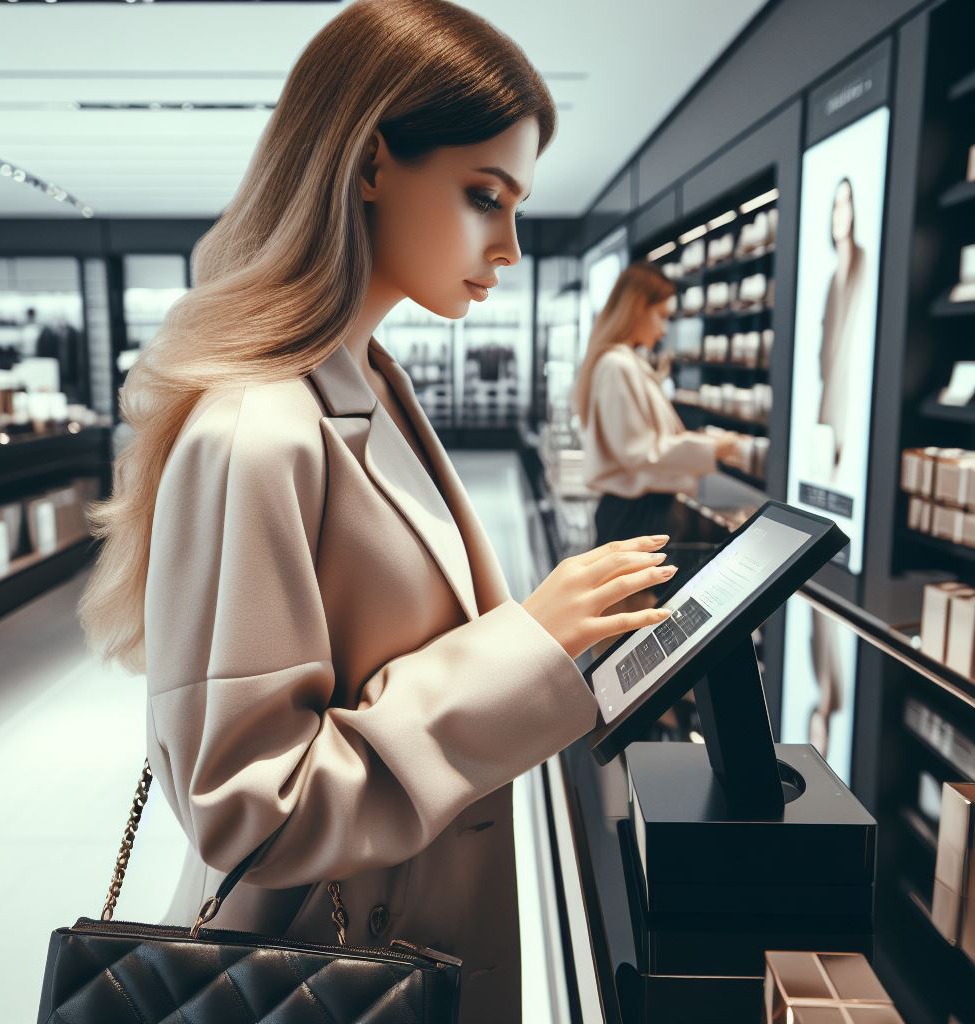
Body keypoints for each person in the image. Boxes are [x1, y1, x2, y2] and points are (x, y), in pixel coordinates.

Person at [75, 3, 677, 1020]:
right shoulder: (259, 431)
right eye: (484, 195)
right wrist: (524, 647)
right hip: (318, 979)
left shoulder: (372, 385)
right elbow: (250, 814)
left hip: (400, 947)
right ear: (368, 163)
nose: (510, 247)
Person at [572, 261, 740, 547]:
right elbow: (639, 451)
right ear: (637, 308)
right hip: (634, 514)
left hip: (638, 511)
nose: (663, 330)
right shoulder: (617, 365)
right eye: (661, 316)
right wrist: (713, 448)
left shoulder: (624, 362)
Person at [816, 176, 867, 476]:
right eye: (836, 205)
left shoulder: (864, 264)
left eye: (845, 204)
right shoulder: (832, 279)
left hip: (847, 393)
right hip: (830, 391)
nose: (839, 214)